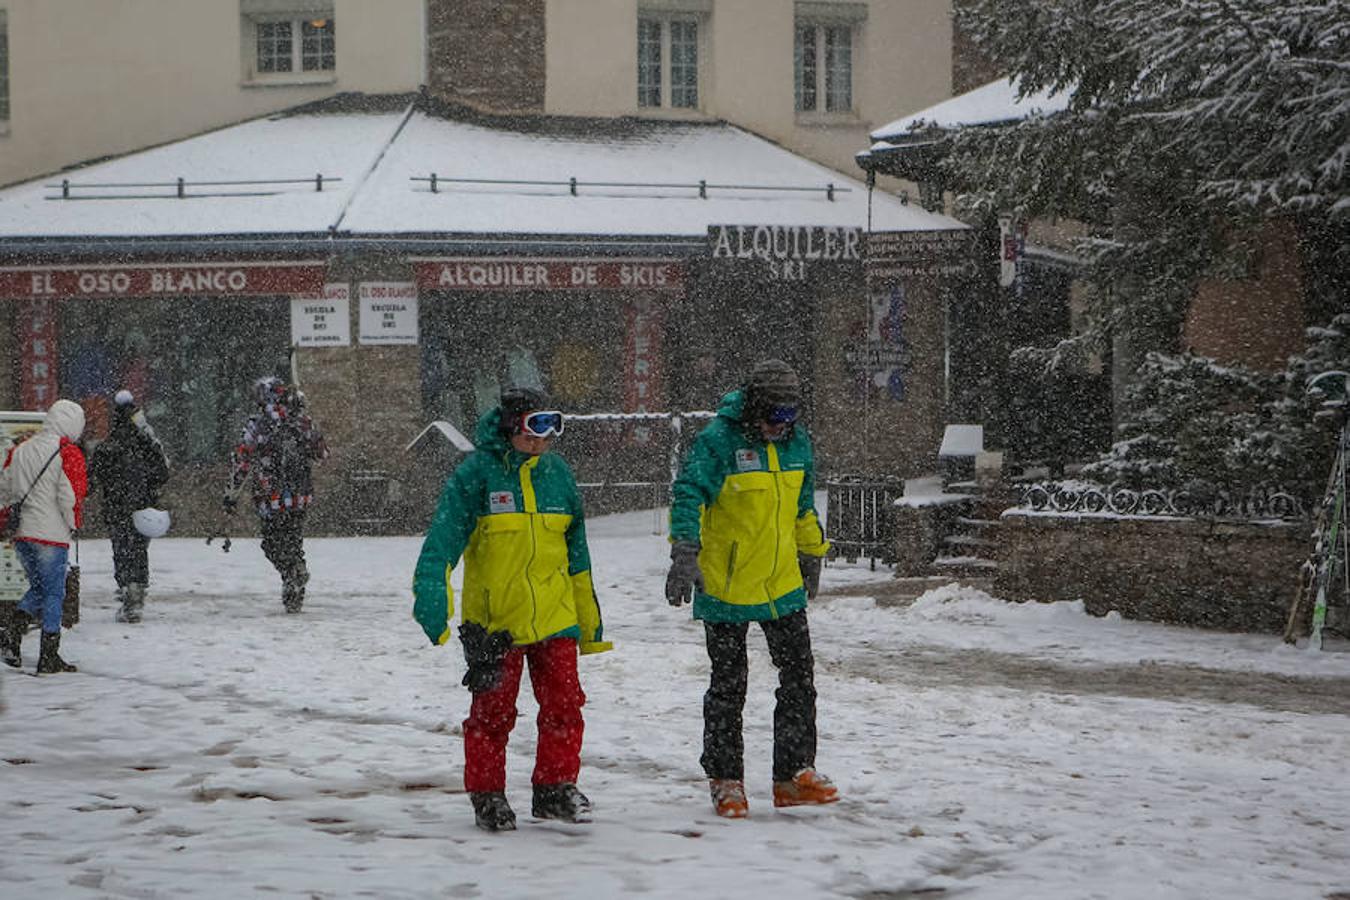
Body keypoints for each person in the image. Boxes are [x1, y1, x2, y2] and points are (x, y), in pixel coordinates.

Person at [412, 387, 612, 833]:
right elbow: (442, 542)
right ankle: (488, 796)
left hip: (555, 617)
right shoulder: (476, 475)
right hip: (495, 623)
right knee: (492, 714)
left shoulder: (557, 474)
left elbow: (576, 553)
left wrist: (588, 619)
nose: (543, 439)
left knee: (564, 706)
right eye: (534, 427)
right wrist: (431, 594)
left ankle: (556, 788)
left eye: (551, 428)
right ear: (510, 426)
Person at [665, 359, 837, 818]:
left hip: (781, 584)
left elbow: (802, 506)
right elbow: (688, 494)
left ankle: (793, 775)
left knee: (799, 677)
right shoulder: (718, 442)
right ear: (754, 409)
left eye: (790, 416)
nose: (782, 427)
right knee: (728, 686)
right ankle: (726, 780)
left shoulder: (797, 442)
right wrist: (685, 551)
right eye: (774, 417)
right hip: (725, 585)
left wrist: (811, 552)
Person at [224, 376, 328, 613]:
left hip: (270, 495)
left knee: (272, 544)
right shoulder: (301, 422)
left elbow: (242, 460)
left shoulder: (257, 425)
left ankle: (292, 575)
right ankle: (294, 584)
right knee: (292, 541)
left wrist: (231, 494)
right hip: (300, 495)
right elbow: (322, 454)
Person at [0, 399, 89, 673]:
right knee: (53, 593)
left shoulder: (21, 450)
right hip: (50, 534)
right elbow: (69, 495)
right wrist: (73, 522)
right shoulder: (67, 452)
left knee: (39, 588)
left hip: (23, 533)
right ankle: (48, 655)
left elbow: (5, 489)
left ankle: (10, 639)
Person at [88, 390, 169, 623]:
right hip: (143, 506)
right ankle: (137, 590)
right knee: (139, 549)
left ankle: (126, 588)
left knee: (121, 549)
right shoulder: (147, 445)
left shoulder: (107, 446)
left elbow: (92, 479)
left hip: (116, 507)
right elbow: (162, 474)